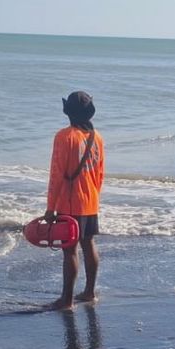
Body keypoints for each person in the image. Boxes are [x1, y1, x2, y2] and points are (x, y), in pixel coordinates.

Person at [43, 91, 106, 311]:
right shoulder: (96, 137)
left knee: (69, 250)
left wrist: (51, 208)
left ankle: (66, 300)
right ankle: (89, 292)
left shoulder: (64, 136)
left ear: (68, 112)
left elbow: (57, 174)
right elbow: (100, 174)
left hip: (70, 202)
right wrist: (93, 197)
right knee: (88, 244)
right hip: (90, 200)